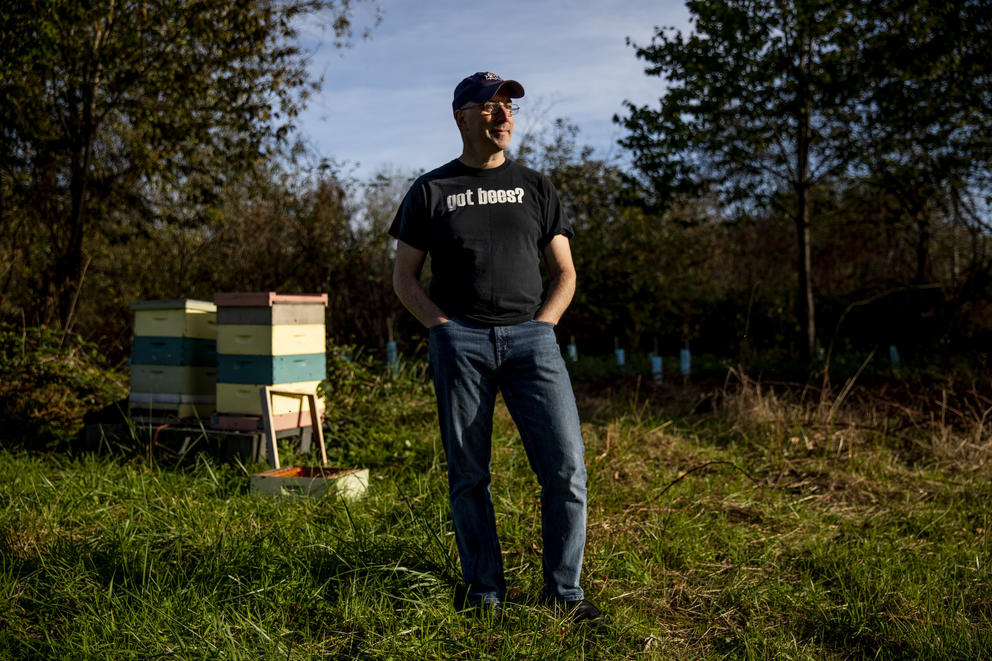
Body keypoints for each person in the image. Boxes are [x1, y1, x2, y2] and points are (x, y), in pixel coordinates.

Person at [389, 72, 601, 622]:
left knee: (566, 470)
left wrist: (543, 326)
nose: (503, 114)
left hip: (533, 341)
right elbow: (404, 278)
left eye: (507, 105)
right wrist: (442, 327)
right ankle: (484, 593)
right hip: (460, 342)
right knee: (469, 475)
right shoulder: (430, 190)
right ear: (461, 116)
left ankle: (565, 596)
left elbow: (565, 271)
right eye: (489, 106)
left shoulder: (535, 187)